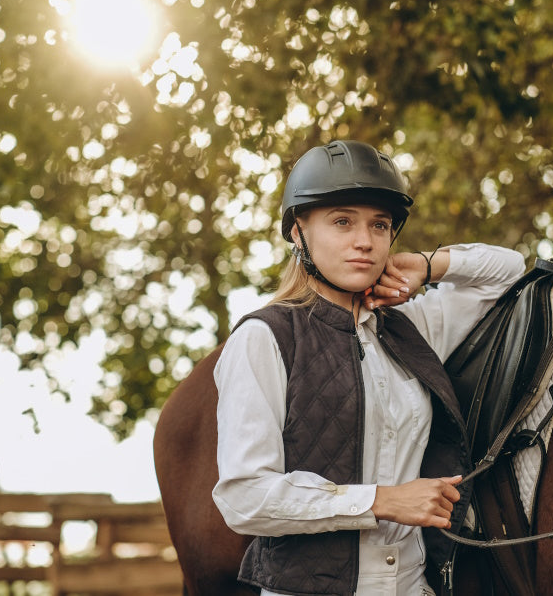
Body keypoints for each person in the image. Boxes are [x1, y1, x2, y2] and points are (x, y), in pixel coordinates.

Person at [211, 140, 525, 596]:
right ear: (299, 233)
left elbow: (510, 272)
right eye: (342, 222)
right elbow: (243, 497)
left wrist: (426, 265)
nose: (365, 241)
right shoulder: (264, 337)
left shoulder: (413, 326)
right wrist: (381, 500)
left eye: (380, 225)